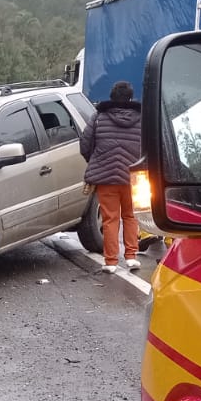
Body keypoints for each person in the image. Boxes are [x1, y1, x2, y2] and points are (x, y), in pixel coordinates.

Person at [79, 81, 143, 273]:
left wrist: (96, 161)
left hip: (106, 178)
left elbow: (85, 144)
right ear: (131, 98)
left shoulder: (99, 117)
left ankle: (111, 261)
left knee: (110, 219)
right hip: (133, 176)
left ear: (112, 97)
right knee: (131, 216)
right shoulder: (142, 118)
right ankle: (131, 256)